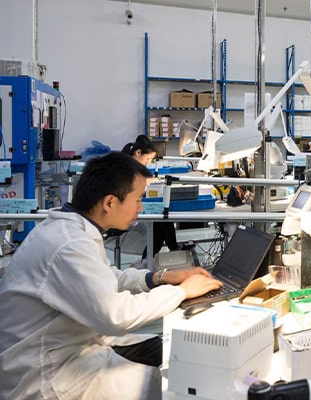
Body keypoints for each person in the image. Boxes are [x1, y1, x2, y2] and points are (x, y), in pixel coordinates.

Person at [0, 152, 222, 399]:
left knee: (162, 348)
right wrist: (182, 291)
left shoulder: (73, 228)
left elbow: (103, 278)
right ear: (109, 203)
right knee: (158, 386)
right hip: (43, 373)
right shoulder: (69, 244)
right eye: (137, 199)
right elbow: (115, 316)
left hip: (70, 344)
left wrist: (159, 278)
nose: (141, 207)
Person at [122, 135, 179, 259]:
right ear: (138, 153)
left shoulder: (129, 166)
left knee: (161, 219)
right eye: (147, 159)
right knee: (160, 222)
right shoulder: (126, 168)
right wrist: (146, 182)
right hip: (124, 211)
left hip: (130, 206)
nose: (147, 163)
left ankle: (168, 251)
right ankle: (172, 249)